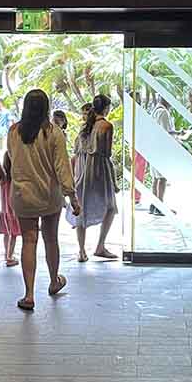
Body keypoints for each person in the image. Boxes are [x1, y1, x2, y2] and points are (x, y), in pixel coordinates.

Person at [5, 89, 80, 311]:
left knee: (28, 241)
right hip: (49, 196)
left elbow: (12, 158)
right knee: (50, 239)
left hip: (22, 195)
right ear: (46, 107)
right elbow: (62, 167)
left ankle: (28, 294)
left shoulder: (13, 131)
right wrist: (72, 197)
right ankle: (54, 280)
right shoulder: (53, 132)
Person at [67, 94, 119, 261]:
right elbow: (107, 153)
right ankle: (100, 246)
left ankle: (82, 251)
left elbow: (76, 152)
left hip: (82, 170)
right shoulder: (106, 126)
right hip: (99, 170)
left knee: (81, 208)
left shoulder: (84, 128)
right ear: (105, 108)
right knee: (110, 207)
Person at [150, 93, 174, 215]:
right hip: (162, 148)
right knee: (162, 178)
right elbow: (166, 131)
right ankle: (160, 206)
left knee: (155, 177)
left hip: (154, 148)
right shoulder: (163, 113)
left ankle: (154, 205)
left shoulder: (155, 110)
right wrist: (178, 134)